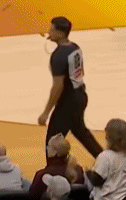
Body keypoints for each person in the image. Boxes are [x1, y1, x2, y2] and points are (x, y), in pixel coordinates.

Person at [38, 17, 104, 158]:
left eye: (52, 29)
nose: (49, 32)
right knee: (81, 133)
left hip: (68, 101)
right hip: (80, 95)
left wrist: (46, 112)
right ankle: (104, 160)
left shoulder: (58, 55)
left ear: (60, 33)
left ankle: (53, 168)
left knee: (52, 141)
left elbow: (58, 86)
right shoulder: (75, 47)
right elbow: (80, 72)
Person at [87, 119, 126, 200]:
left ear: (109, 137)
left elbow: (96, 181)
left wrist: (88, 172)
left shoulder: (105, 157)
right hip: (125, 196)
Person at [29, 134, 85, 198]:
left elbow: (32, 196)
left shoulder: (41, 175)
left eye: (49, 146)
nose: (47, 148)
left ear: (55, 152)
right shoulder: (78, 170)